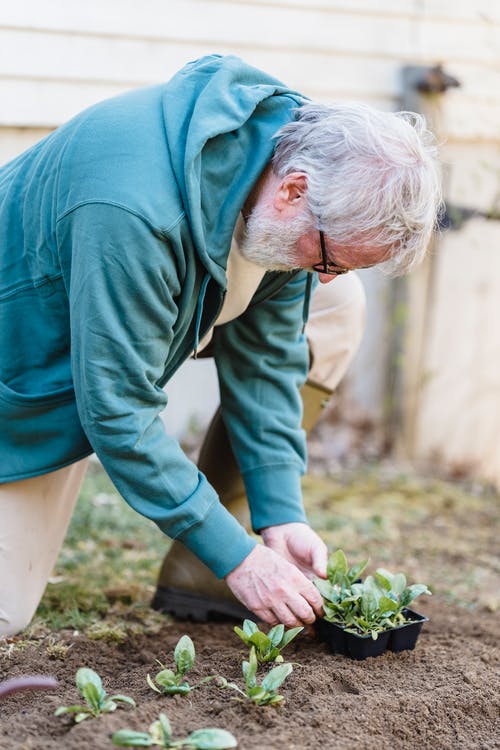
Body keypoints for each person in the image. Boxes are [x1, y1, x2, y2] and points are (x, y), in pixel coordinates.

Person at [0, 54, 441, 638]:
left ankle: (204, 563)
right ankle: (222, 551)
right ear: (293, 190)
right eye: (330, 259)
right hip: (29, 373)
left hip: (116, 337)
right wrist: (240, 558)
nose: (326, 275)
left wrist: (279, 512)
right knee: (5, 615)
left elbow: (269, 356)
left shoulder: (283, 164)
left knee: (337, 308)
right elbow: (117, 410)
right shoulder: (131, 210)